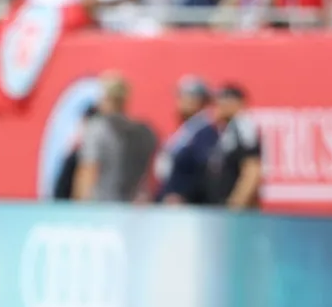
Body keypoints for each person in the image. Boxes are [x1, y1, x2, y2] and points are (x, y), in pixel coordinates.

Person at [72, 71, 157, 202]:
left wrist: (79, 208)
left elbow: (88, 171)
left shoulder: (97, 128)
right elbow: (151, 178)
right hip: (132, 209)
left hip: (102, 208)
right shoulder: (144, 131)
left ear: (104, 98)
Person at [156, 75, 218, 205]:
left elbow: (204, 170)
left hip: (187, 205)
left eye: (184, 96)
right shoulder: (188, 129)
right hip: (172, 201)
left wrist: (183, 194)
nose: (180, 101)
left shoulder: (205, 131)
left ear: (198, 100)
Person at [206, 83, 263, 210]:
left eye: (223, 99)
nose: (218, 104)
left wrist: (236, 204)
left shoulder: (243, 126)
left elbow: (252, 169)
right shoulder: (227, 128)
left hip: (237, 212)